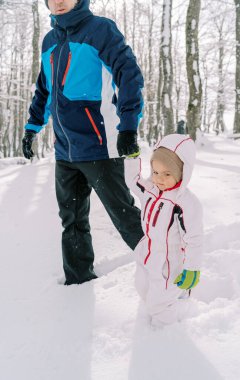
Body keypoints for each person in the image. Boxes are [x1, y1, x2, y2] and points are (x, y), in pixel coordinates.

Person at [22, 0, 144, 285]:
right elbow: (44, 89)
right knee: (72, 220)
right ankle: (78, 282)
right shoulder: (50, 40)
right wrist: (32, 126)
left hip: (99, 146)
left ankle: (167, 267)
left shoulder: (100, 30)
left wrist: (128, 125)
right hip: (65, 149)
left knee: (123, 215)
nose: (59, 2)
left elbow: (129, 76)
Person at [124, 134, 203, 326]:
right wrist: (132, 158)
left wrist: (192, 268)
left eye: (167, 174)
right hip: (147, 253)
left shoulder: (185, 203)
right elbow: (132, 180)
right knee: (143, 288)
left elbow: (195, 238)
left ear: (183, 172)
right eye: (155, 172)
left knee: (158, 304)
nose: (159, 179)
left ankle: (165, 334)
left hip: (170, 262)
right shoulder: (151, 189)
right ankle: (175, 298)